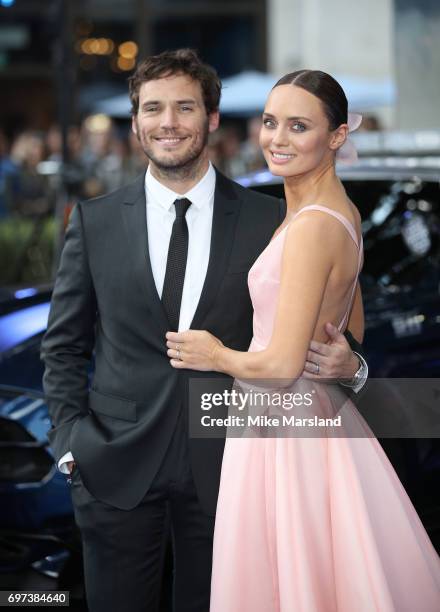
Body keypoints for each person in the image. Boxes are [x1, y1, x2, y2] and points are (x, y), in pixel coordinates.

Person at [41, 52, 367, 612]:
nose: (168, 122)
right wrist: (72, 445)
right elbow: (63, 345)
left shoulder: (274, 220)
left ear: (212, 119)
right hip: (114, 470)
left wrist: (354, 366)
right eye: (153, 108)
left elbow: (342, 326)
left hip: (234, 469)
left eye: (184, 107)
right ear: (136, 120)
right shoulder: (93, 221)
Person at [166, 70, 440, 611]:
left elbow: (283, 362)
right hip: (308, 416)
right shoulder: (340, 213)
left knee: (294, 576)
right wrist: (345, 360)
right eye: (270, 123)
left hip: (285, 425)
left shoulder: (313, 226)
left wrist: (213, 353)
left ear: (337, 136)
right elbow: (351, 330)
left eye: (298, 126)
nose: (277, 139)